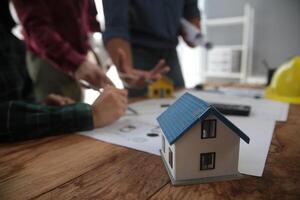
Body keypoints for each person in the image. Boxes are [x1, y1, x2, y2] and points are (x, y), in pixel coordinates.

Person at [0, 1, 128, 142]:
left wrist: (41, 108)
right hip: (49, 58)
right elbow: (37, 26)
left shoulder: (10, 40)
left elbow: (16, 107)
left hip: (78, 56)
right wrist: (89, 115)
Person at [11, 0, 113, 102]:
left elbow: (88, 9)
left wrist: (100, 41)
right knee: (59, 113)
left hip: (79, 54)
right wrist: (76, 63)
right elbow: (37, 28)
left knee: (78, 108)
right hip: (48, 60)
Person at [102, 0, 201, 97]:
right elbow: (116, 25)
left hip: (170, 54)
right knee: (143, 108)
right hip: (137, 55)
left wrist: (194, 33)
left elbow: (191, 13)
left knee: (181, 105)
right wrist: (127, 70)